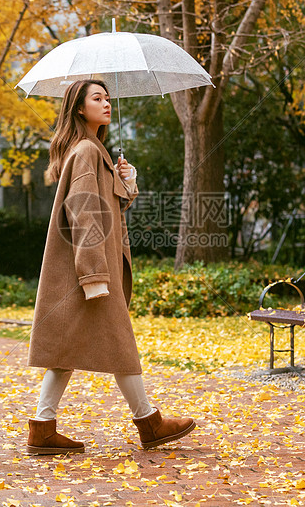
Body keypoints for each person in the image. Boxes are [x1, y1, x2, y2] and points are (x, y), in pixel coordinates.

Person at [26, 79, 196, 455]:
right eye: (97, 98)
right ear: (79, 108)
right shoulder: (87, 150)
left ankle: (42, 426)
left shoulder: (92, 150)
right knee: (119, 342)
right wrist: (93, 276)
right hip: (90, 270)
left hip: (90, 268)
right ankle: (149, 422)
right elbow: (84, 212)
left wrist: (126, 183)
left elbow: (105, 208)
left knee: (67, 351)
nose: (106, 104)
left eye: (107, 98)